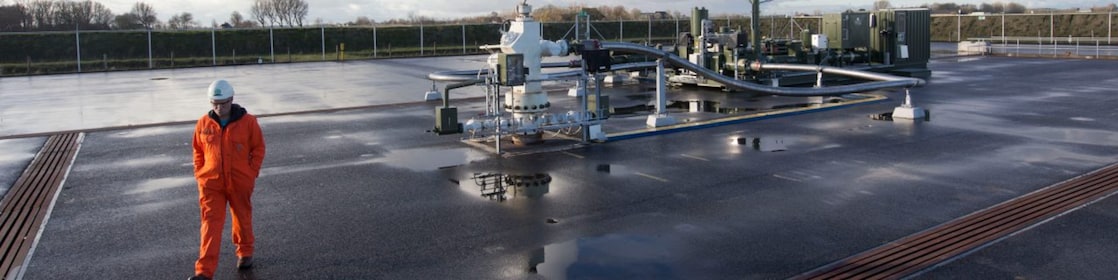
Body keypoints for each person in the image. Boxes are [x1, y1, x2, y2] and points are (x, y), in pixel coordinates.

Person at [190, 79, 266, 280]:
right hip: (211, 184)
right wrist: (200, 173)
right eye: (215, 103)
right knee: (210, 225)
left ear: (231, 100)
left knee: (242, 218)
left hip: (240, 181)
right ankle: (204, 272)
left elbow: (258, 148)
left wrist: (251, 172)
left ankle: (245, 252)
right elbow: (198, 150)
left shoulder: (248, 122)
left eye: (223, 103)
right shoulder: (203, 124)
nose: (219, 107)